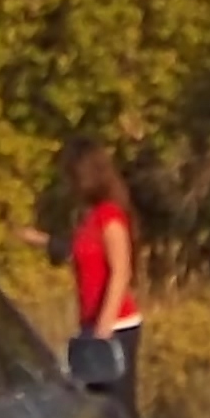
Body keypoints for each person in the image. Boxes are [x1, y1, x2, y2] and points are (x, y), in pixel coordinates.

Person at [66, 143, 144, 393]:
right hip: (91, 324)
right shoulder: (88, 217)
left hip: (115, 325)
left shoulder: (109, 216)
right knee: (95, 404)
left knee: (117, 404)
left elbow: (121, 271)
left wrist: (103, 328)